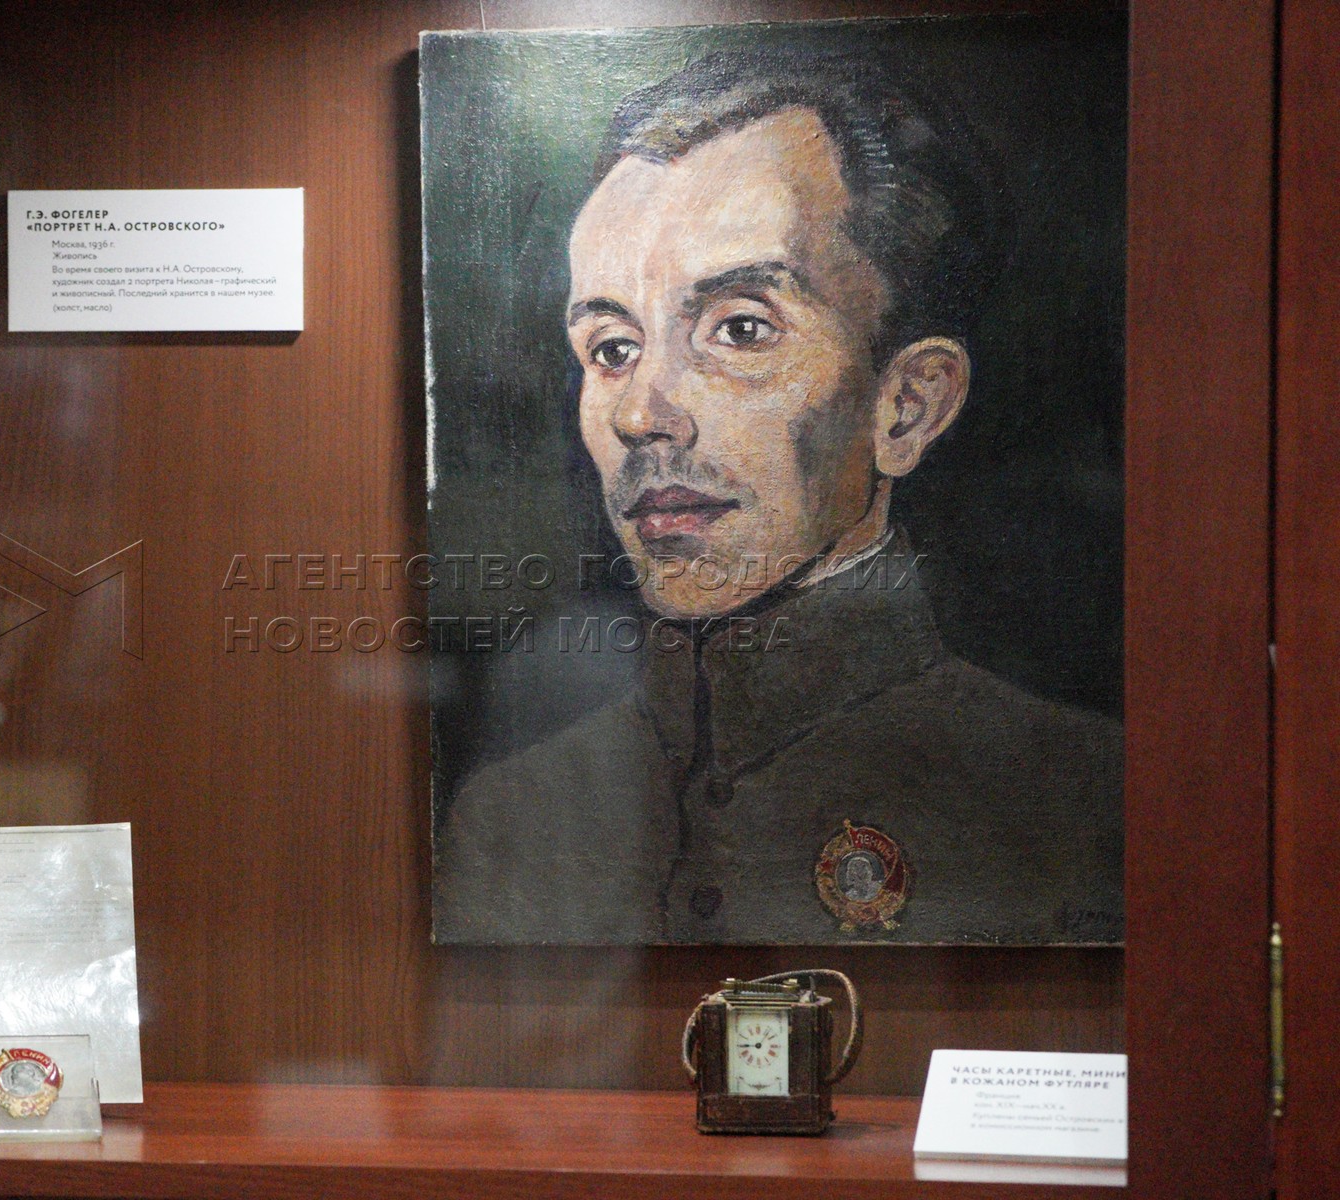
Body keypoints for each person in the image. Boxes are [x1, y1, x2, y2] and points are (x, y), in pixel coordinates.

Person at [433, 52, 1123, 946]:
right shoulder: (511, 815)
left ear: (907, 406)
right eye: (612, 348)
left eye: (740, 329)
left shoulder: (1083, 798)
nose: (643, 414)